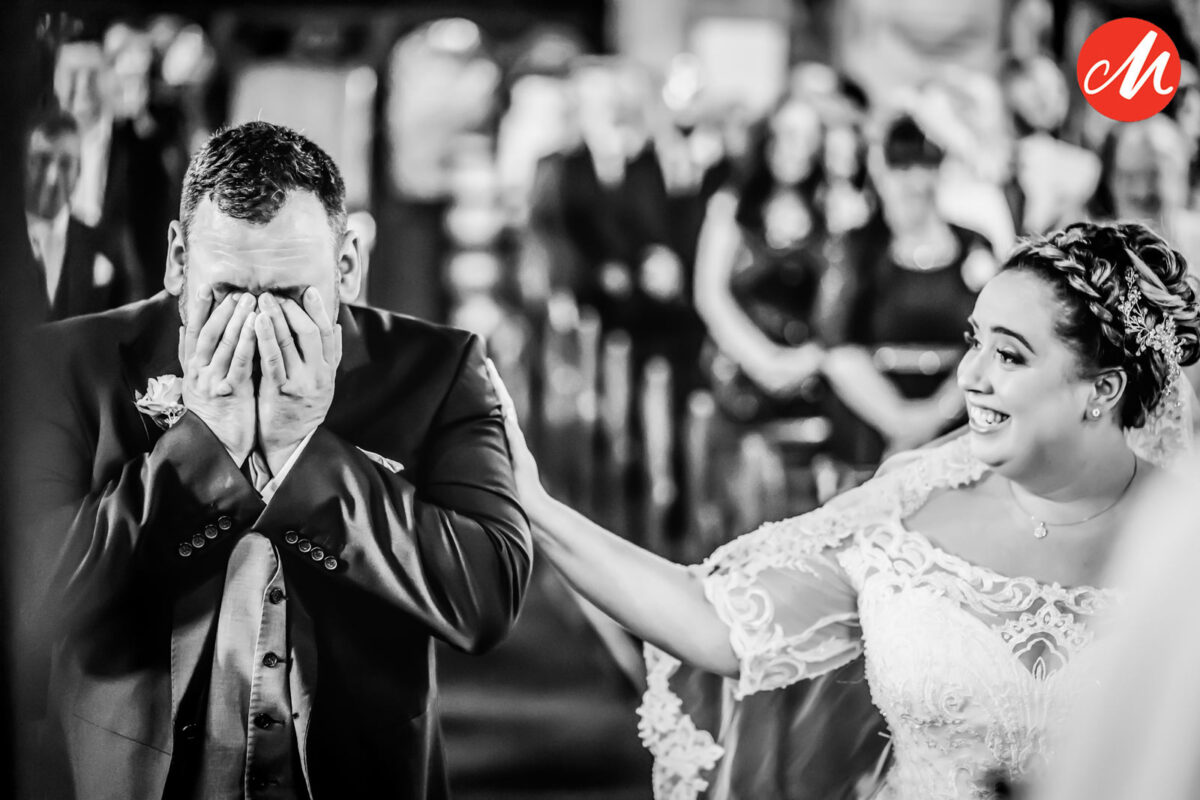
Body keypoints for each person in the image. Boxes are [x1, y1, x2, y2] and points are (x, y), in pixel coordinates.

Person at [487, 220, 1200, 799]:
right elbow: (711, 621)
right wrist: (533, 503)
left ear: (1101, 390)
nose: (971, 377)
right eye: (973, 341)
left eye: (1010, 356)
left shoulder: (1184, 543)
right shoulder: (909, 514)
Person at [14, 121, 532, 799]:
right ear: (177, 259)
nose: (257, 327)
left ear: (345, 265)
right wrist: (206, 445)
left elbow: (486, 596)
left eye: (289, 300)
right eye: (225, 297)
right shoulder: (64, 365)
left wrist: (301, 450)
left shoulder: (440, 370)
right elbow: (31, 599)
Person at [824, 113, 997, 466]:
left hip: (958, 426)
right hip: (872, 429)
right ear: (879, 170)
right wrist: (899, 422)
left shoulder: (974, 244)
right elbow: (837, 344)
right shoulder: (856, 248)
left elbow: (994, 339)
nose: (916, 180)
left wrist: (935, 415)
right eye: (901, 166)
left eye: (925, 164)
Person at [23, 107, 138, 321]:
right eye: (41, 160)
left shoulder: (103, 246)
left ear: (79, 173)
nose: (52, 178)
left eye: (65, 164)